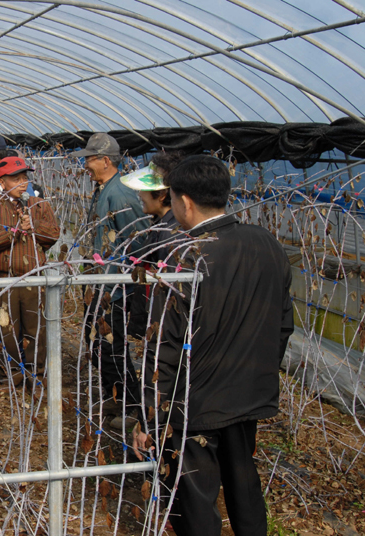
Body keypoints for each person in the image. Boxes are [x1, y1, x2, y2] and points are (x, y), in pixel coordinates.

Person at [132, 155, 293, 536]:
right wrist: (260, 373)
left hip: (196, 404)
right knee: (244, 483)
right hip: (247, 395)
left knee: (195, 499)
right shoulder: (267, 244)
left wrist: (150, 417)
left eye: (172, 198)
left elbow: (164, 344)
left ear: (185, 202)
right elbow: (283, 323)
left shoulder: (186, 257)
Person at [74, 133, 149, 419]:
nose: (85, 165)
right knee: (96, 342)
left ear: (106, 161)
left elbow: (138, 243)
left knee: (111, 346)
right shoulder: (103, 189)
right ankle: (113, 394)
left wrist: (123, 278)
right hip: (98, 284)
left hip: (113, 289)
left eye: (89, 160)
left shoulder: (120, 194)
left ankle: (128, 404)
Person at [0, 156, 60, 385]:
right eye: (15, 179)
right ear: (2, 182)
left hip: (32, 279)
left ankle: (37, 375)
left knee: (36, 329)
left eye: (25, 178)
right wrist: (15, 229)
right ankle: (13, 374)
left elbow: (53, 234)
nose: (22, 183)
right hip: (3, 279)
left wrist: (33, 226)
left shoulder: (39, 205)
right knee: (6, 329)